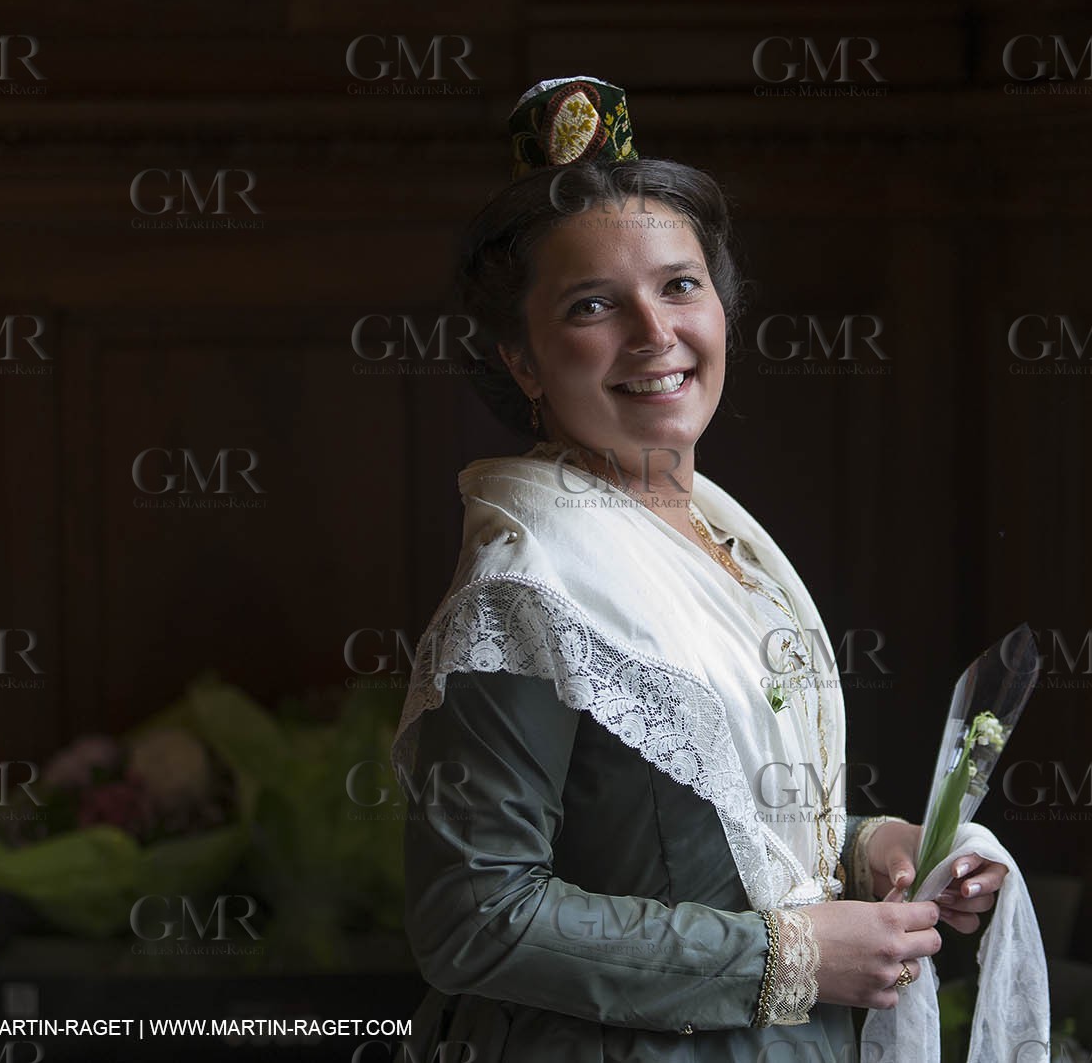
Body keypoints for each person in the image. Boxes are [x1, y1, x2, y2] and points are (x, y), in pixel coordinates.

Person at [390, 75, 1010, 1062]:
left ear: (721, 304)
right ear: (521, 357)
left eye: (680, 285)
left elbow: (700, 823)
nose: (655, 335)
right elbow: (475, 915)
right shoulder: (527, 587)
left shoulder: (716, 534)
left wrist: (872, 847)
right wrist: (790, 955)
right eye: (594, 305)